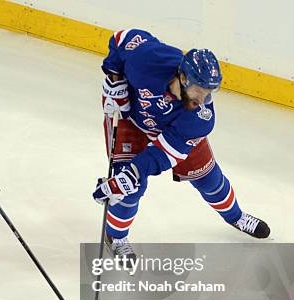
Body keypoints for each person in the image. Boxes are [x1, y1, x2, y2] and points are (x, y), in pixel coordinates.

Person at [92, 29, 270, 256]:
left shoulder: (201, 118)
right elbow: (121, 38)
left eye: (209, 92)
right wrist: (114, 77)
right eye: (199, 90)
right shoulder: (150, 60)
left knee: (208, 179)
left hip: (173, 135)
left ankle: (236, 217)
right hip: (132, 121)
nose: (203, 99)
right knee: (129, 191)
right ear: (183, 78)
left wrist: (133, 173)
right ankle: (116, 238)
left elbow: (162, 155)